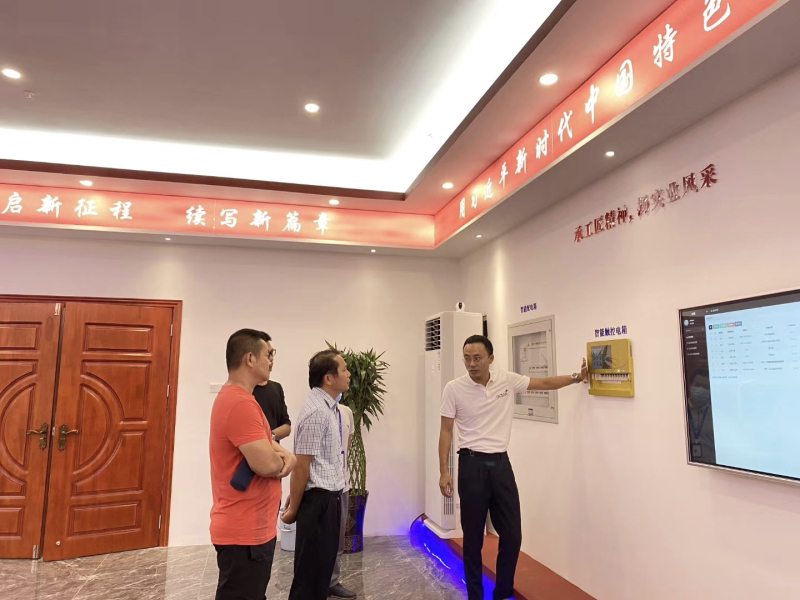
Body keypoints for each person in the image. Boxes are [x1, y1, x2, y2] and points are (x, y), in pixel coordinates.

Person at [438, 334, 588, 600]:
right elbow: (446, 430)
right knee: (473, 539)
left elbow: (544, 383)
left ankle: (503, 592)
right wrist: (444, 471)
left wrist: (577, 377)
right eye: (467, 359)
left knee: (512, 534)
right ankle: (475, 596)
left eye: (477, 358)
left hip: (500, 465)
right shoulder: (454, 388)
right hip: (471, 465)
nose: (472, 364)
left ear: (490, 359)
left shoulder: (506, 380)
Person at [209, 329, 297, 600]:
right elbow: (267, 464)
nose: (271, 360)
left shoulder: (244, 400)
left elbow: (268, 442)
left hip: (252, 530)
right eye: (268, 354)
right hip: (244, 533)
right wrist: (284, 459)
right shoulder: (239, 404)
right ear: (250, 358)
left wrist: (287, 456)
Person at [281, 350, 350, 600]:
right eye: (344, 370)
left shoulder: (328, 407)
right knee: (310, 577)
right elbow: (301, 465)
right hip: (318, 501)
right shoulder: (317, 412)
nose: (349, 374)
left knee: (320, 573)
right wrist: (293, 508)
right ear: (328, 378)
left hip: (328, 498)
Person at [329, 397, 356, 598]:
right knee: (321, 539)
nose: (348, 381)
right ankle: (317, 583)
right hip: (322, 486)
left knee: (338, 537)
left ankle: (332, 582)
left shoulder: (346, 412)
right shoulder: (318, 412)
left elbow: (348, 443)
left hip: (342, 484)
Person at [686, 367, 715, 463]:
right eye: (697, 385)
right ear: (690, 385)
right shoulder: (680, 412)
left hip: (710, 466)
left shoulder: (716, 415)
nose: (701, 390)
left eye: (705, 387)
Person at [253, 378, 292, 442]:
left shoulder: (277, 388)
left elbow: (287, 427)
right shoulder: (245, 391)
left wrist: (270, 436)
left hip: (272, 446)